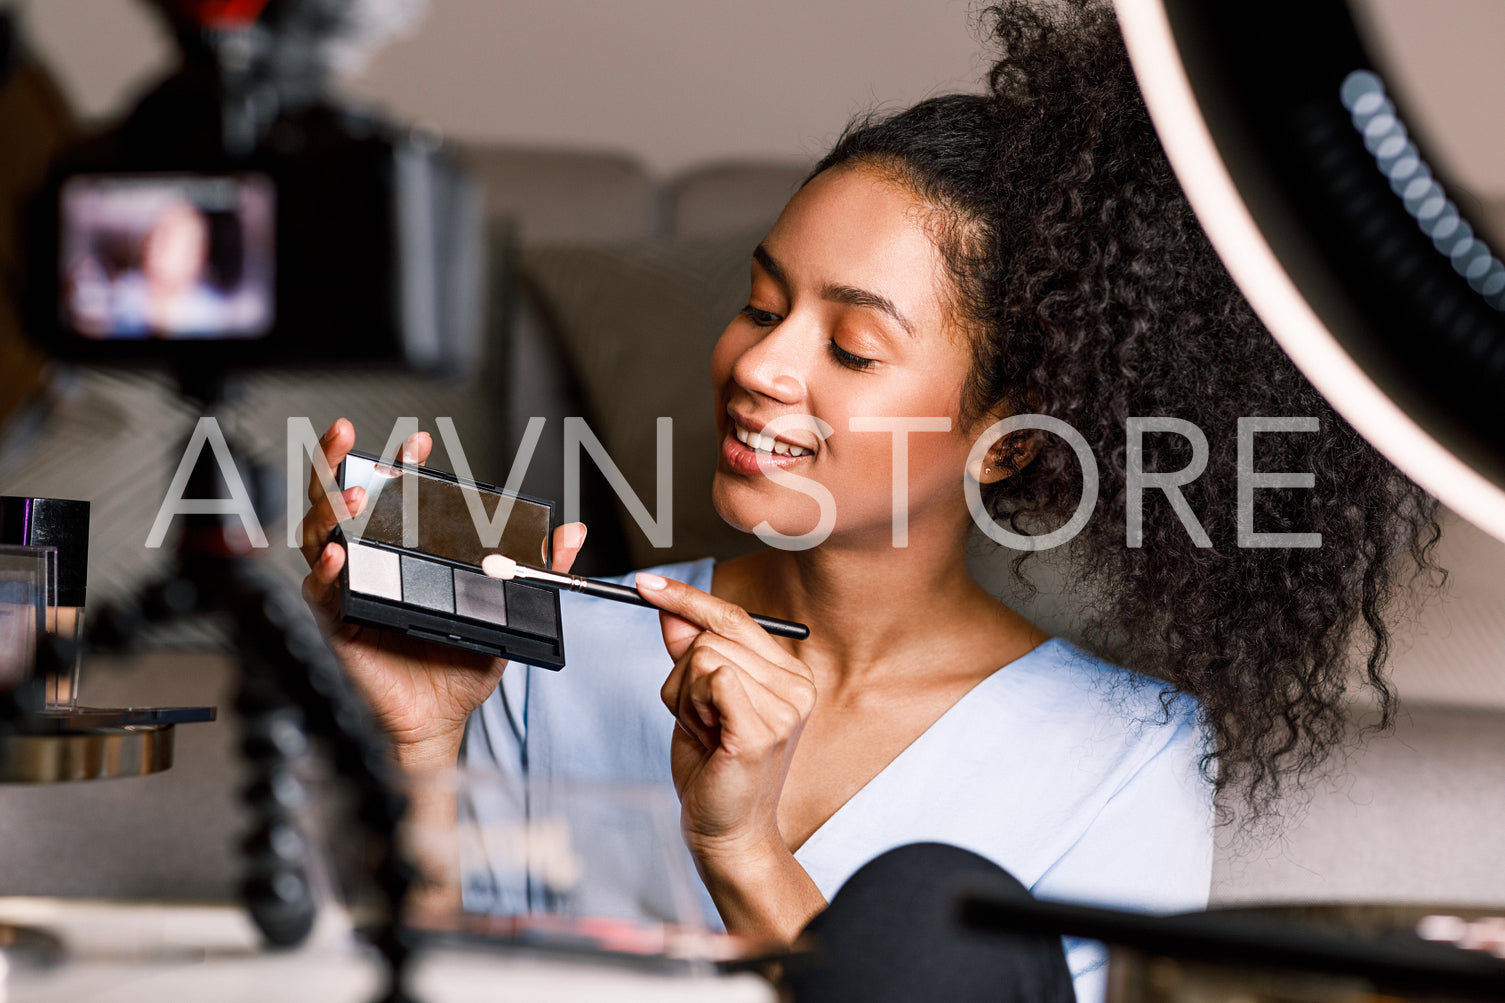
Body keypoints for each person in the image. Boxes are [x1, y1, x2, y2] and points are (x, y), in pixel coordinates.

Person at [297, 2, 1439, 1000]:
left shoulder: (1125, 758)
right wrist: (419, 742)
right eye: (757, 302)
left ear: (1000, 437)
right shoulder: (553, 657)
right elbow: (438, 977)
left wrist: (743, 849)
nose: (758, 364)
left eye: (850, 345)